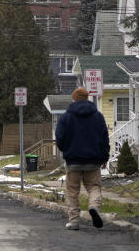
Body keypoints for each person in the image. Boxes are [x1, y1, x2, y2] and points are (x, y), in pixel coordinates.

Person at [55, 87, 109, 230]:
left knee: (72, 191)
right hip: (93, 160)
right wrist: (104, 157)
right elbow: (105, 139)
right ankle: (94, 207)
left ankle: (74, 221)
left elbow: (59, 138)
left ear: (74, 99)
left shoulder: (66, 117)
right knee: (94, 187)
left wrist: (66, 151)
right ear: (87, 98)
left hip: (73, 161)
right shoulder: (98, 116)